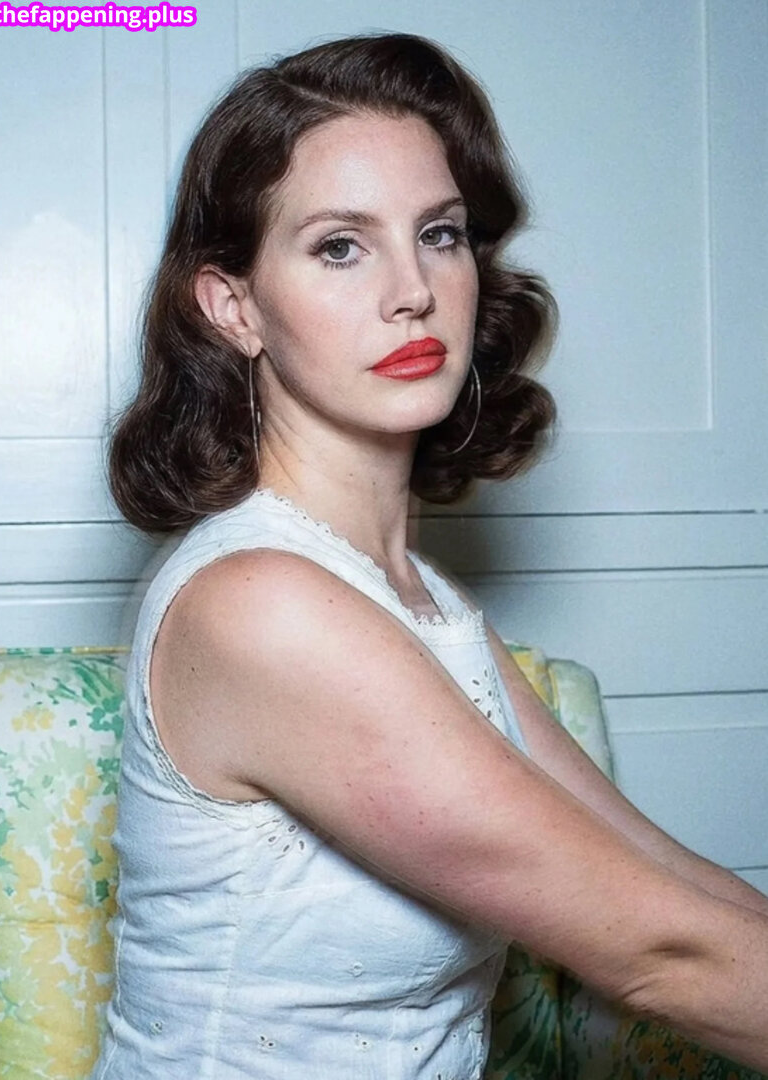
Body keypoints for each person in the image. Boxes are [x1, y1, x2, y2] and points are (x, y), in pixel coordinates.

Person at [91, 31, 768, 1080]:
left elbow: (661, 880)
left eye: (439, 234)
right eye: (340, 246)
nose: (412, 290)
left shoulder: (419, 600)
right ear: (234, 307)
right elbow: (656, 956)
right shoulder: (259, 603)